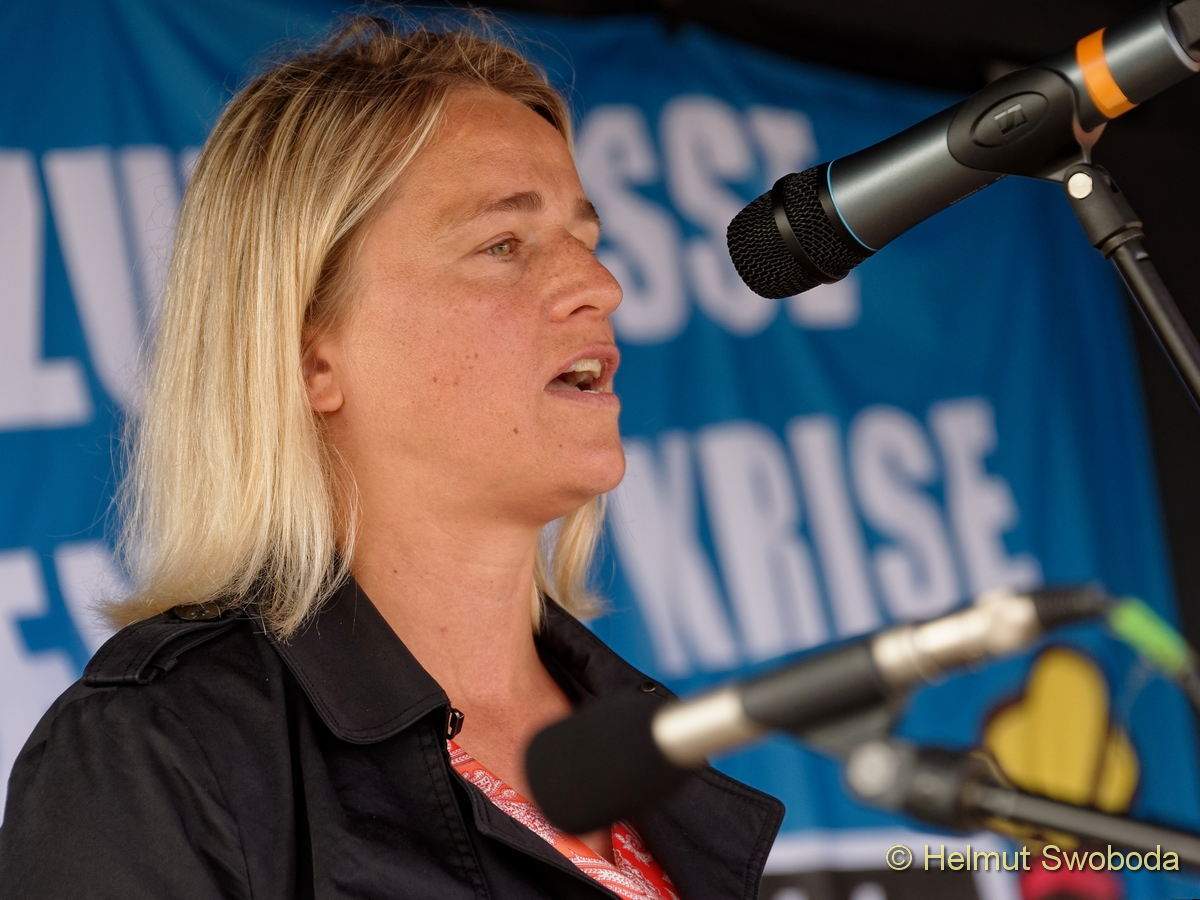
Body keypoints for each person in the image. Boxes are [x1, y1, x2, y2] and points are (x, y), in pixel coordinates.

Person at [0, 13, 783, 898]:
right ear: (310, 354)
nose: (600, 286)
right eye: (503, 245)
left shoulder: (649, 743)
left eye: (587, 241)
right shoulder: (156, 751)